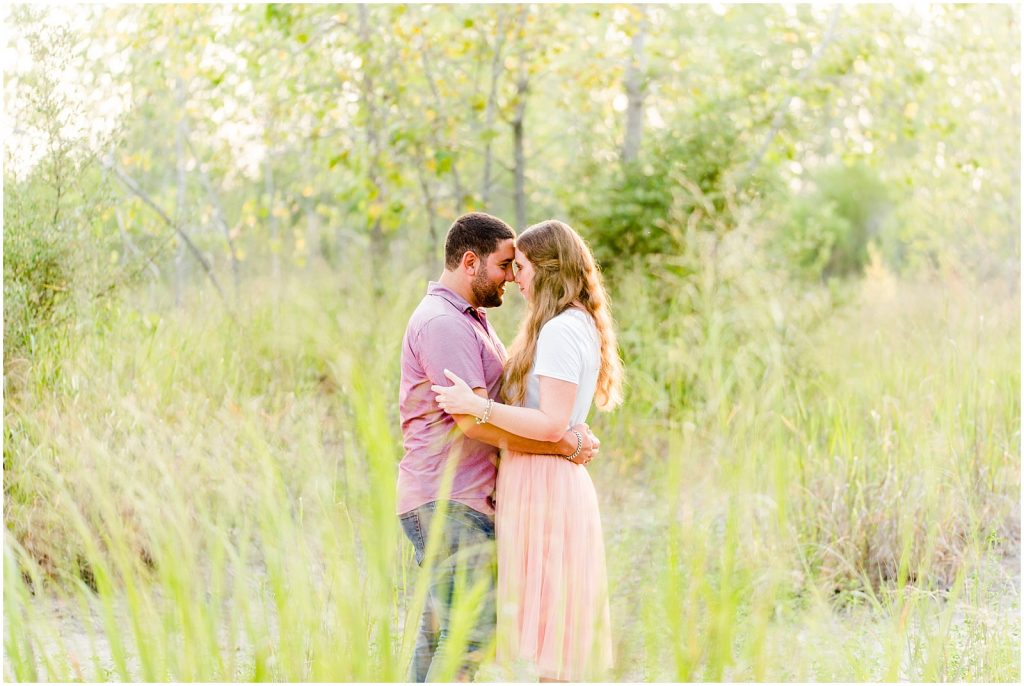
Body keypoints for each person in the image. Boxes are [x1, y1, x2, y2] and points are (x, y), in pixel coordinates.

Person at [397, 212, 600, 682]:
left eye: (518, 266)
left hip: (465, 499)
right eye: (505, 265)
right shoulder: (444, 324)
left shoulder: (474, 321)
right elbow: (471, 421)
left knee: (442, 633)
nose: (511, 276)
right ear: (471, 262)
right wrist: (563, 445)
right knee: (470, 635)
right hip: (449, 500)